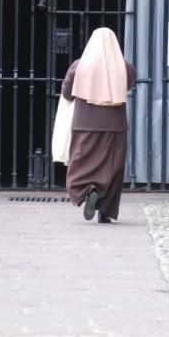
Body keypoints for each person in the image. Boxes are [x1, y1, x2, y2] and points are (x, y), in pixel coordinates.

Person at [61, 27, 136, 223]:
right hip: (116, 127)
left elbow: (67, 93)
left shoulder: (79, 66)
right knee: (113, 168)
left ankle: (89, 189)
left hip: (84, 124)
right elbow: (129, 85)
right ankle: (105, 212)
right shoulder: (125, 67)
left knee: (80, 165)